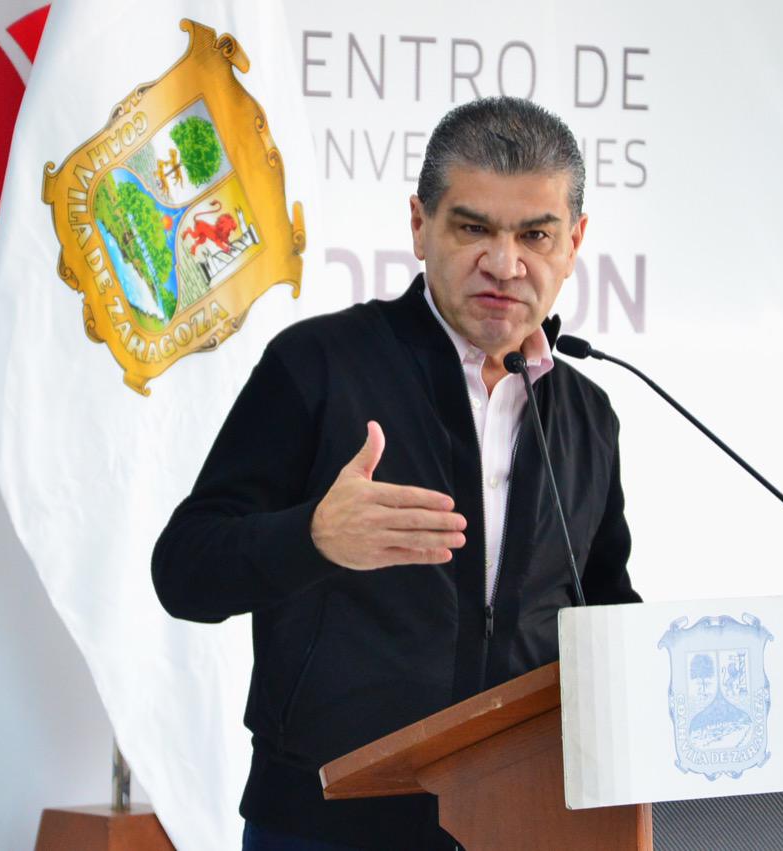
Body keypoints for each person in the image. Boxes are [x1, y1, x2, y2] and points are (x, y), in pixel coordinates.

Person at [152, 96, 641, 850]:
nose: (505, 263)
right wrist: (312, 538)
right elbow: (185, 571)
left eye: (535, 235)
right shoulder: (318, 366)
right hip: (326, 828)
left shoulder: (588, 414)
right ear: (420, 225)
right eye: (473, 228)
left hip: (526, 821)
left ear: (573, 242)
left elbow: (602, 608)